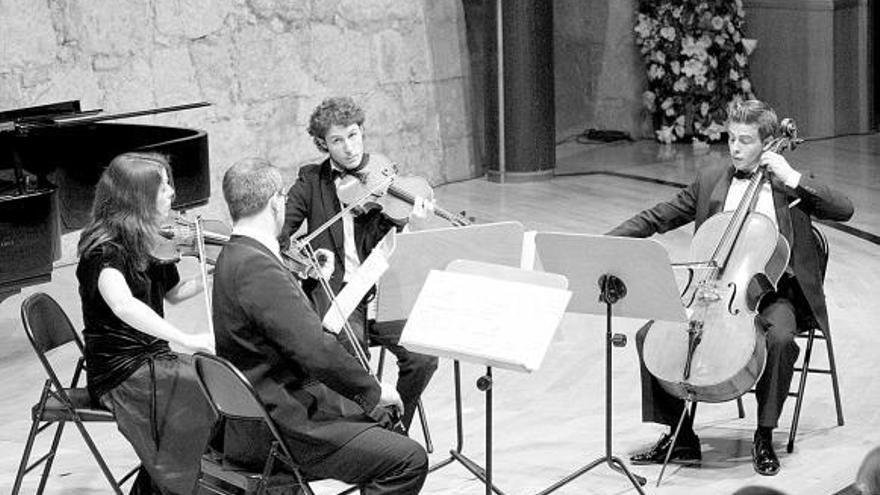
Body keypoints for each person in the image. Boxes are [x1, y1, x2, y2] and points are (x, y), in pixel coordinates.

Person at [606, 99, 854, 476]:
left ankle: (763, 435)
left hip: (776, 294)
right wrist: (609, 242)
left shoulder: (790, 187)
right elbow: (660, 216)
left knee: (780, 340)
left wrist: (792, 177)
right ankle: (681, 435)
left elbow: (845, 209)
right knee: (649, 335)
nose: (734, 148)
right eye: (731, 139)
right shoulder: (711, 180)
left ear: (768, 142)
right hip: (716, 291)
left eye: (745, 140)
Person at [212, 157, 428, 494]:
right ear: (275, 203)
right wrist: (372, 390)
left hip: (258, 413)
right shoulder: (258, 267)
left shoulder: (231, 255)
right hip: (284, 427)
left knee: (382, 424)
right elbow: (314, 350)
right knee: (407, 459)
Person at [280, 96, 438, 432]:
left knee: (423, 358)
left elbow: (401, 244)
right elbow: (280, 234)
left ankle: (396, 429)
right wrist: (301, 260)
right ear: (323, 144)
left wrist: (410, 220)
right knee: (351, 365)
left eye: (353, 135)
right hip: (340, 295)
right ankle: (374, 437)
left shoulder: (384, 175)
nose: (349, 148)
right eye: (337, 141)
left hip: (384, 289)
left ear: (362, 131)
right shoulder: (311, 182)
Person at [76, 152, 216, 494]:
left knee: (215, 383)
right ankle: (181, 484)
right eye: (163, 186)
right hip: (121, 369)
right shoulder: (103, 251)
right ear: (137, 197)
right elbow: (124, 306)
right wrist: (186, 337)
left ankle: (169, 485)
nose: (172, 192)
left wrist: (212, 273)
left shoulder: (150, 239)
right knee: (202, 392)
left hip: (153, 360)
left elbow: (174, 294)